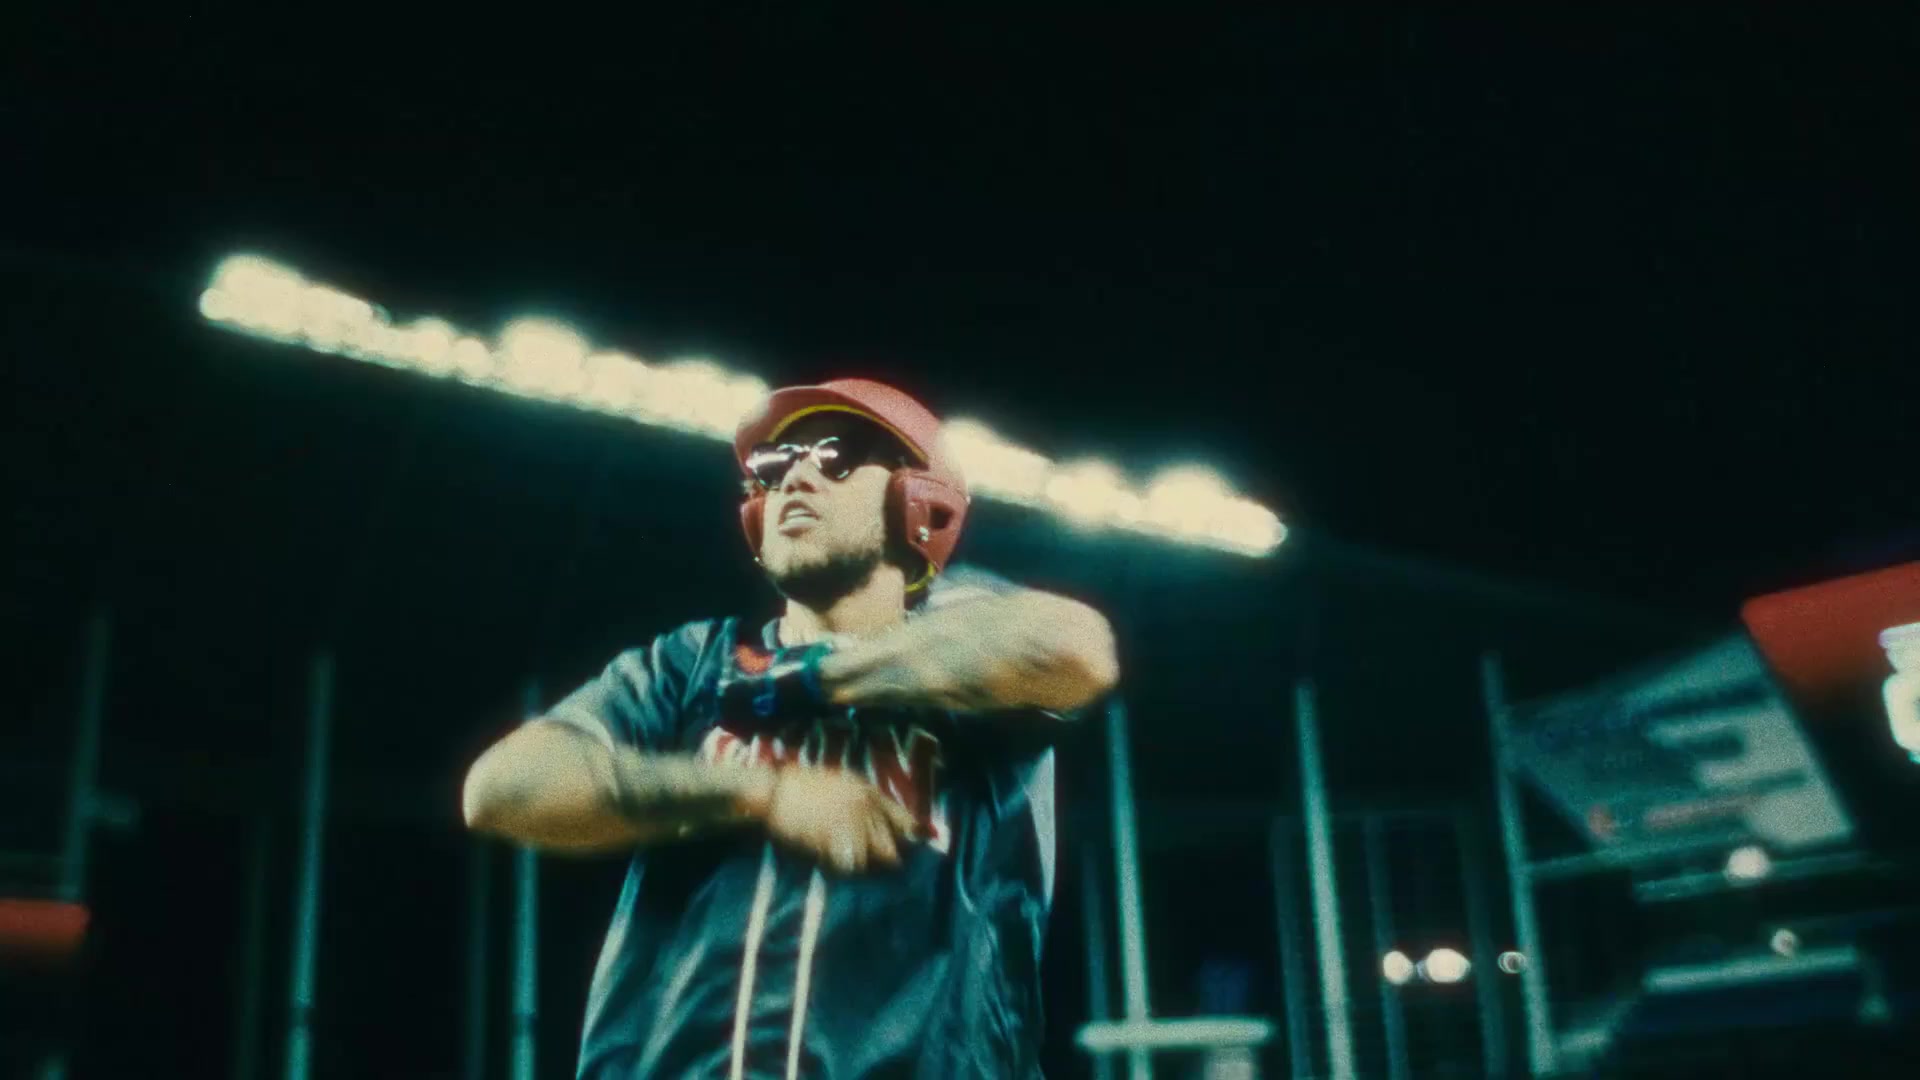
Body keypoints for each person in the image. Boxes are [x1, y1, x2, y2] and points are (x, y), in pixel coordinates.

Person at [461, 378, 1120, 1079]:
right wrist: (758, 791)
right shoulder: (689, 664)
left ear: (919, 497)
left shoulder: (972, 644)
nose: (797, 477)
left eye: (838, 455)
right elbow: (501, 787)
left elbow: (1077, 648)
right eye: (773, 466)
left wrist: (809, 677)